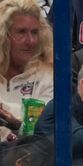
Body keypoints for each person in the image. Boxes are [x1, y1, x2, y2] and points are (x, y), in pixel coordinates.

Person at [0, 0, 53, 141]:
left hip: (30, 159)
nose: (30, 41)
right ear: (3, 35)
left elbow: (43, 129)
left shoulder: (48, 76)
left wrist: (11, 118)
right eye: (21, 32)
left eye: (34, 32)